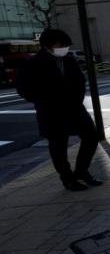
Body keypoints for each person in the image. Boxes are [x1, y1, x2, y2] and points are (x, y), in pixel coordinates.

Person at [16, 29, 103, 191]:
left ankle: (81, 171)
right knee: (58, 146)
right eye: (60, 44)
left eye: (66, 45)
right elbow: (23, 88)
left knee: (91, 137)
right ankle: (68, 179)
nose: (64, 47)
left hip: (75, 108)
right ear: (48, 45)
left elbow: (80, 81)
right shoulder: (33, 63)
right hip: (51, 112)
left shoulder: (69, 60)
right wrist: (43, 99)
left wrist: (77, 99)